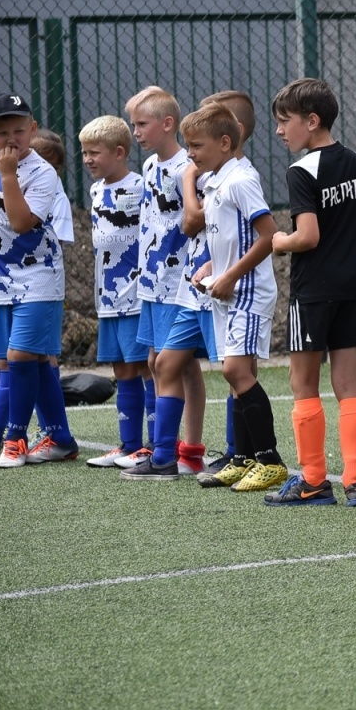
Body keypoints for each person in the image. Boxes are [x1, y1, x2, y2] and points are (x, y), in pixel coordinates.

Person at [263, 78, 356, 508]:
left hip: (313, 292)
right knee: (348, 382)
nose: (281, 131)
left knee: (302, 382)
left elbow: (307, 237)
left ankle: (314, 482)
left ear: (312, 121)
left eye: (286, 122)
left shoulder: (301, 170)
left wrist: (278, 241)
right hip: (353, 290)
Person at [0, 93, 77, 468]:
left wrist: (9, 175)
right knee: (33, 359)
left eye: (20, 131)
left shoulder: (43, 173)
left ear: (33, 129)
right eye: (2, 132)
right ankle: (60, 437)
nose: (12, 139)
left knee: (19, 356)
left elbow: (21, 222)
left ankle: (14, 438)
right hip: (1, 277)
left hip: (39, 276)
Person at [177, 102, 285, 492]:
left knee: (235, 371)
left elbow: (269, 235)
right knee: (238, 376)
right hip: (226, 289)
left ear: (225, 143)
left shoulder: (240, 180)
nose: (190, 154)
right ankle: (243, 457)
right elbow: (226, 236)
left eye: (196, 146)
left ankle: (270, 460)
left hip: (248, 291)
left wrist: (232, 275)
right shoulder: (216, 179)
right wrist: (211, 268)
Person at [122, 87, 204, 471]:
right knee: (156, 361)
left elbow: (195, 221)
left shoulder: (189, 166)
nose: (135, 132)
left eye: (141, 123)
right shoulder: (151, 167)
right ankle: (165, 446)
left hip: (180, 283)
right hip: (152, 282)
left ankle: (186, 451)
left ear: (167, 124)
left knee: (178, 364)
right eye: (133, 123)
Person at [76, 115, 148, 468]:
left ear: (119, 152)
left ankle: (151, 445)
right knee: (121, 370)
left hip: (136, 296)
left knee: (143, 367)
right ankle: (128, 444)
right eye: (84, 152)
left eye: (95, 152)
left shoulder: (142, 187)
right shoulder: (95, 189)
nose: (87, 159)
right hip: (107, 297)